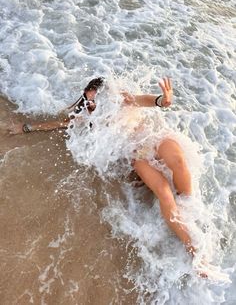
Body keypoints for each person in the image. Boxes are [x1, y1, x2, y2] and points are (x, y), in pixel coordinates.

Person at [8, 77, 198, 262]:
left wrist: (163, 101)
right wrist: (26, 127)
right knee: (163, 191)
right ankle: (192, 248)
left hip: (154, 137)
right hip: (137, 154)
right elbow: (60, 124)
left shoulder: (123, 100)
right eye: (88, 102)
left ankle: (188, 205)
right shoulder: (89, 116)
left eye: (95, 100)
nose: (92, 105)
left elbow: (146, 101)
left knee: (178, 163)